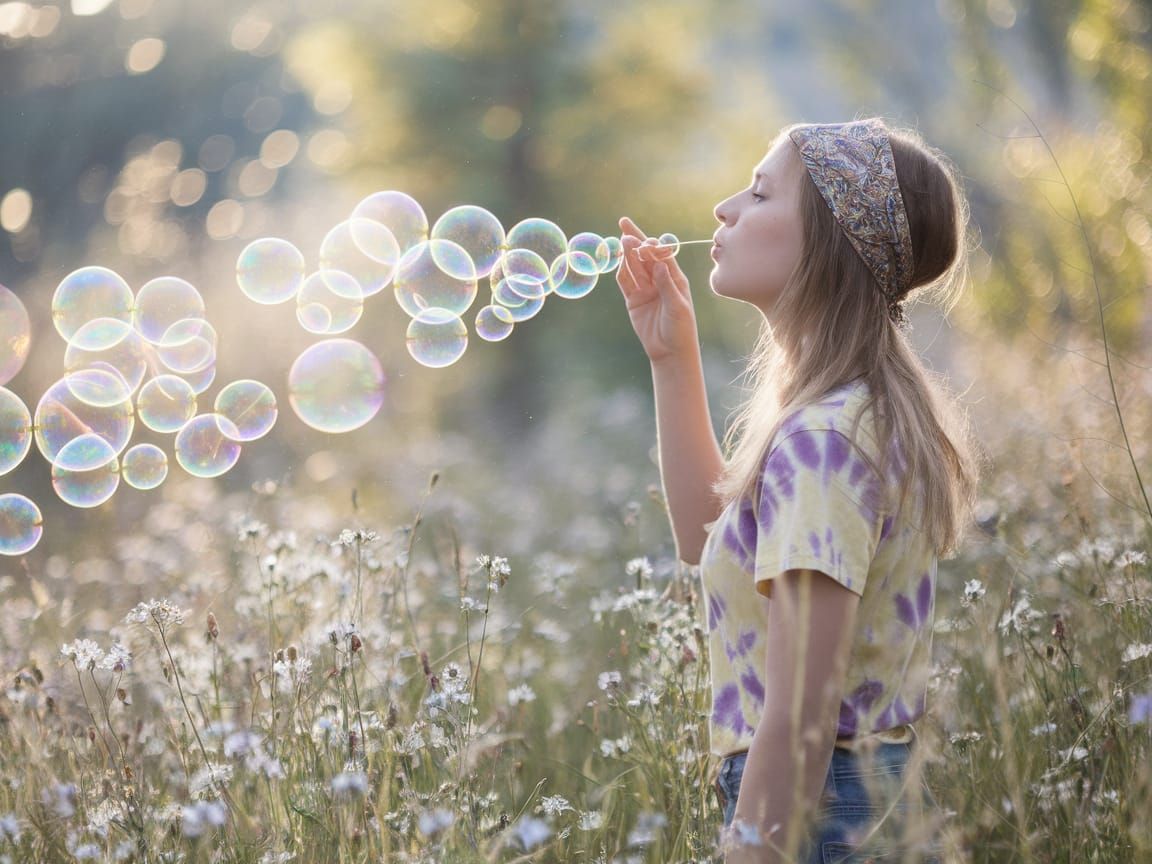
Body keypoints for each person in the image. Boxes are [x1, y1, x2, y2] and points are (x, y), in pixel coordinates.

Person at [615, 116, 984, 863]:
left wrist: (749, 850)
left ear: (828, 241)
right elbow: (703, 534)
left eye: (758, 193)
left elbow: (800, 714)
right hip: (842, 793)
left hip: (816, 808)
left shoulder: (824, 442)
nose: (725, 209)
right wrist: (670, 354)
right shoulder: (844, 418)